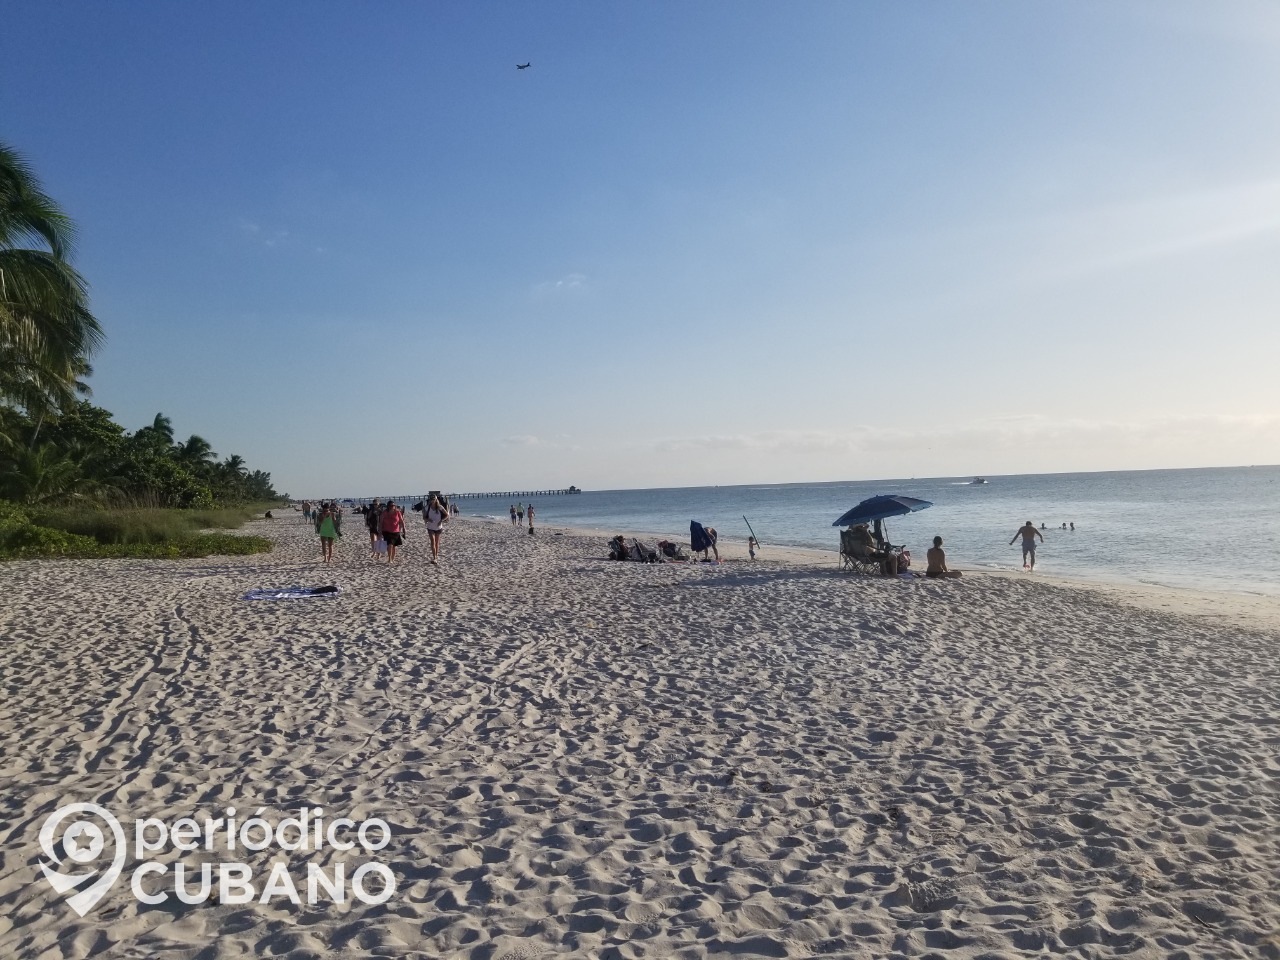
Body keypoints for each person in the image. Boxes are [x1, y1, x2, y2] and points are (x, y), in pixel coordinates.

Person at [423, 494, 448, 564]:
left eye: (434, 499)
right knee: (432, 541)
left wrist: (441, 521)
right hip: (430, 527)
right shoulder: (427, 507)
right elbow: (424, 517)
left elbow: (447, 515)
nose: (432, 501)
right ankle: (434, 558)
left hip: (438, 527)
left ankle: (436, 556)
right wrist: (428, 519)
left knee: (437, 543)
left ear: (436, 499)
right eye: (431, 499)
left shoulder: (439, 507)